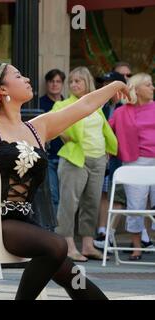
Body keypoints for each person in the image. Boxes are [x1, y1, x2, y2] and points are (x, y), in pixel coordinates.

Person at [0, 61, 128, 299]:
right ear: (2, 89)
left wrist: (114, 85)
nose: (27, 79)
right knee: (57, 246)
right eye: (18, 76)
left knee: (72, 276)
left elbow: (86, 104)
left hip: (22, 223)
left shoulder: (38, 127)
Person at [52, 67, 118, 262]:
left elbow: (103, 129)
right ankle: (68, 245)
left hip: (98, 160)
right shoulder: (63, 105)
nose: (73, 85)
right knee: (69, 203)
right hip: (75, 159)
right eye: (71, 81)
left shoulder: (96, 106)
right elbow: (56, 126)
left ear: (87, 82)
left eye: (78, 81)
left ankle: (88, 245)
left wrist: (107, 148)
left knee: (92, 203)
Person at [108, 73, 155, 260]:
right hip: (135, 162)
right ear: (136, 89)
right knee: (136, 207)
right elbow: (105, 130)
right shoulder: (121, 111)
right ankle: (137, 247)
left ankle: (149, 241)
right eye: (149, 85)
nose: (153, 88)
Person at [94, 71, 127, 250]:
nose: (105, 88)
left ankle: (110, 233)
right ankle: (101, 231)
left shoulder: (127, 105)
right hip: (104, 158)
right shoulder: (102, 106)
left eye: (110, 84)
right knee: (104, 194)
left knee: (119, 197)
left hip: (122, 157)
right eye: (104, 84)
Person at [39, 69, 66, 214]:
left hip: (66, 156)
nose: (54, 85)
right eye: (51, 81)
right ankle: (54, 233)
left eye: (58, 81)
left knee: (66, 197)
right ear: (46, 83)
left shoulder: (68, 103)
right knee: (53, 196)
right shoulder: (39, 103)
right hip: (49, 156)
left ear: (62, 84)